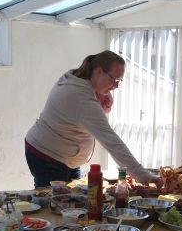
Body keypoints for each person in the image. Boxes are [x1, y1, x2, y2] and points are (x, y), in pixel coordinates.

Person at [25, 50, 159, 188]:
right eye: (114, 79)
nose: (117, 86)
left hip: (66, 156)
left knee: (74, 202)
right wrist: (144, 176)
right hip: (48, 156)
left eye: (120, 80)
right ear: (99, 71)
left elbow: (78, 115)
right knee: (55, 204)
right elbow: (111, 142)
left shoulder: (77, 77)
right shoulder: (80, 97)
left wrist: (101, 101)